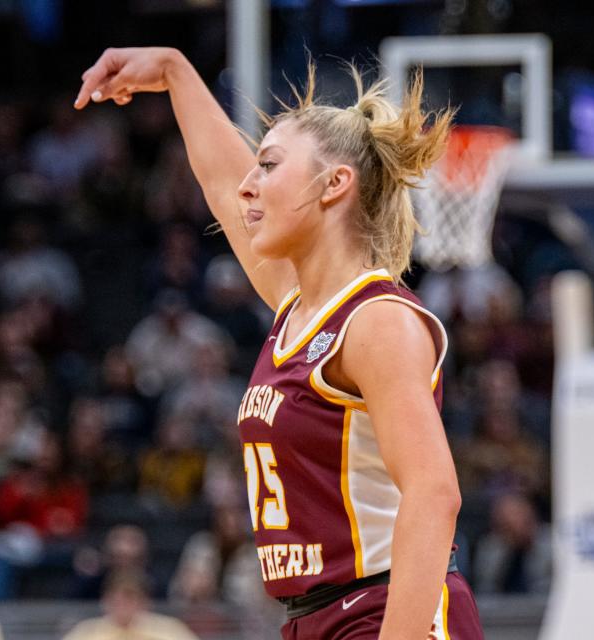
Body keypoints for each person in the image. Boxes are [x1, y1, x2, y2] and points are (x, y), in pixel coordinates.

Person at [75, 48, 484, 639]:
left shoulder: (376, 321)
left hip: (386, 609)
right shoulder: (301, 309)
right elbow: (219, 184)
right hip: (312, 616)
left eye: (268, 165)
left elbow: (435, 492)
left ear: (334, 184)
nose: (248, 186)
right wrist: (173, 72)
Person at [61, 570, 199, 640]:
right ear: (105, 601)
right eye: (116, 600)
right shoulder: (86, 633)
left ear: (144, 602)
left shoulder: (169, 632)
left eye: (130, 599)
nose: (122, 606)